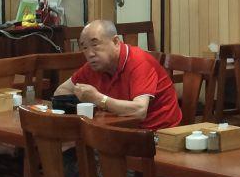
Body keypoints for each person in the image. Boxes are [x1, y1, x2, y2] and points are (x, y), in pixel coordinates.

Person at [53, 19, 182, 129]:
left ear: (115, 42)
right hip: (119, 130)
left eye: (95, 44)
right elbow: (61, 91)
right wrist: (84, 102)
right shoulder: (94, 66)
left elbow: (139, 110)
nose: (90, 54)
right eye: (85, 47)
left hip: (158, 134)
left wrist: (97, 99)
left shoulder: (139, 62)